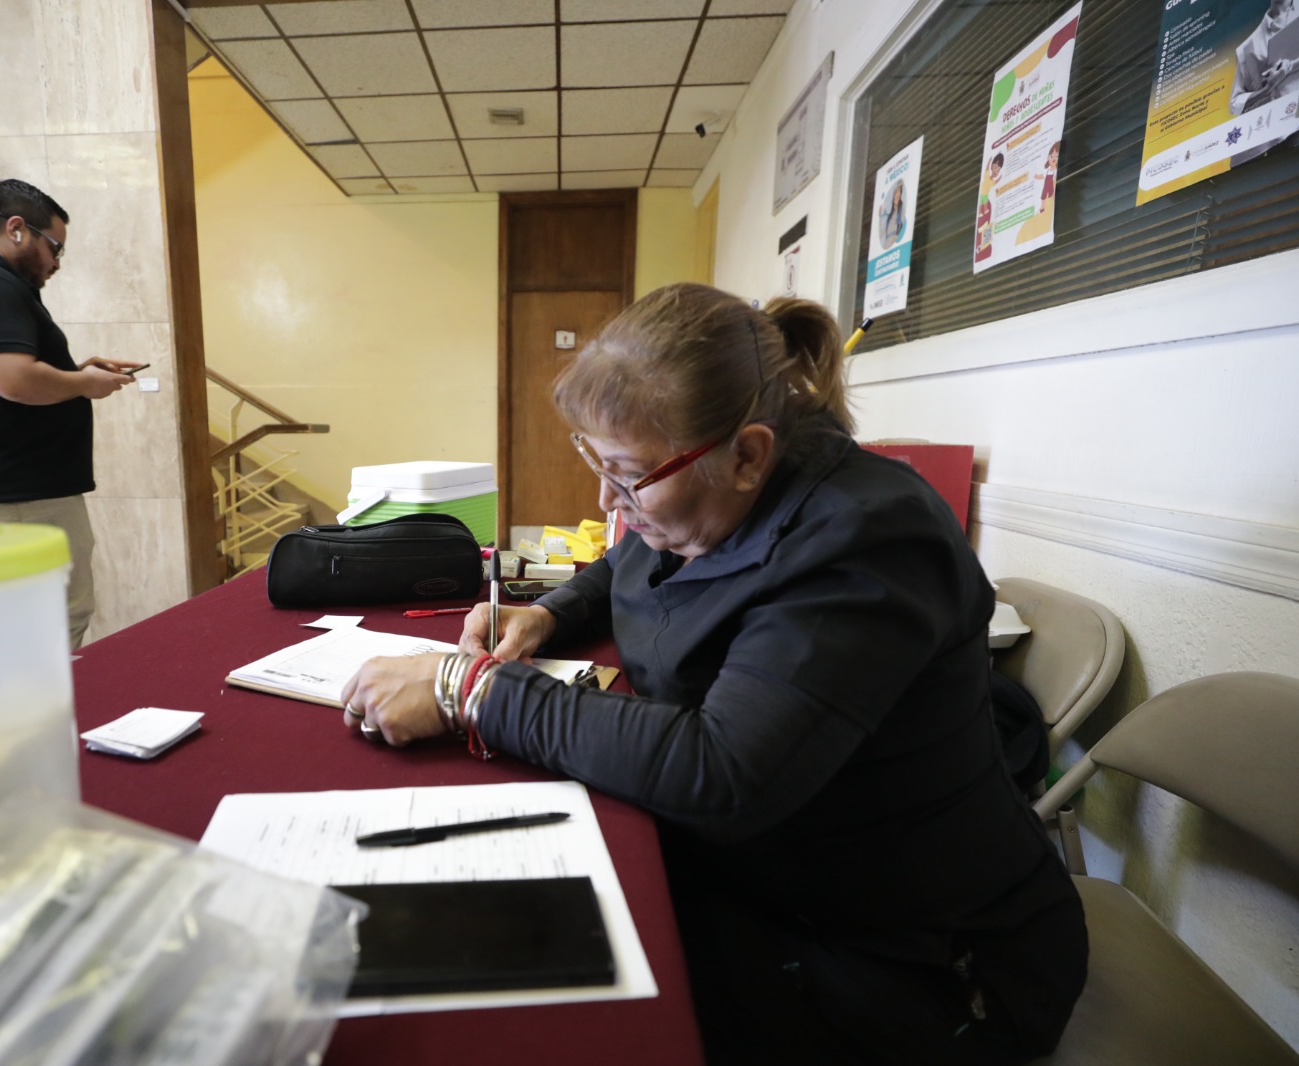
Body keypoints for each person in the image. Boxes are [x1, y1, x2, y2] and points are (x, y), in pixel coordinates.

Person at [341, 283, 1087, 1065]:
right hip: (770, 885)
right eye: (596, 461)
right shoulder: (704, 494)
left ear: (749, 455)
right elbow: (628, 563)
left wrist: (469, 689)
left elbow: (726, 772)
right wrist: (552, 614)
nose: (608, 500)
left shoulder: (868, 540)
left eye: (628, 474)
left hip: (919, 965)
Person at [0, 179, 143, 649]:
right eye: (54, 248)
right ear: (17, 228)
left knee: (46, 624)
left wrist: (77, 372)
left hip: (20, 490)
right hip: (16, 495)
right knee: (42, 630)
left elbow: (7, 375)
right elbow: (13, 380)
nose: (57, 263)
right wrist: (84, 384)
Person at [1229, 0, 1297, 116]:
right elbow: (1234, 104)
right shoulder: (1247, 49)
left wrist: (1290, 67)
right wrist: (1267, 89)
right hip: (1284, 120)